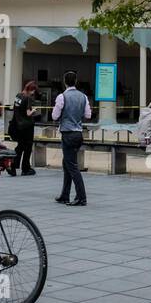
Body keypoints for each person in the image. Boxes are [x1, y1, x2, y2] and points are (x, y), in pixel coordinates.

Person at [53, 70, 91, 204]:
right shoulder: (84, 97)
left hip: (67, 133)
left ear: (65, 82)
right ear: (75, 81)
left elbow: (54, 116)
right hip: (78, 133)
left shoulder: (62, 97)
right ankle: (65, 194)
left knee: (72, 166)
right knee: (67, 163)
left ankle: (81, 197)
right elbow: (88, 115)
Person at [7, 81, 40, 177]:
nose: (34, 93)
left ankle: (13, 167)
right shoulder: (28, 98)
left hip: (17, 125)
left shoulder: (18, 96)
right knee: (28, 148)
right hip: (27, 127)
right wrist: (33, 110)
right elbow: (28, 113)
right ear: (31, 90)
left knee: (20, 147)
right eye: (34, 91)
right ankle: (25, 168)